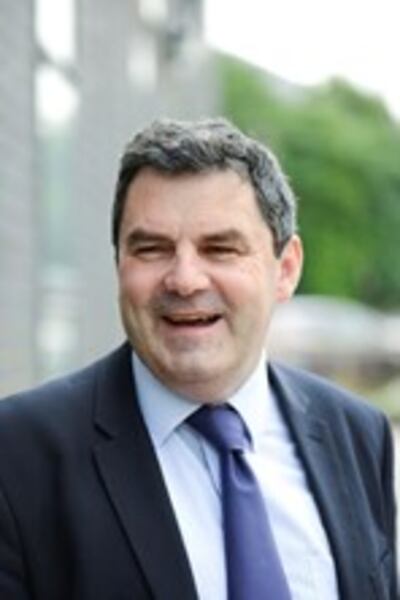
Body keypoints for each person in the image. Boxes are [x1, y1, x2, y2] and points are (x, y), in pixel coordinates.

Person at [0, 118, 396, 600]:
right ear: (119, 264)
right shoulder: (17, 456)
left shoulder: (357, 435)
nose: (185, 280)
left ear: (286, 269)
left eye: (220, 249)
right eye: (151, 249)